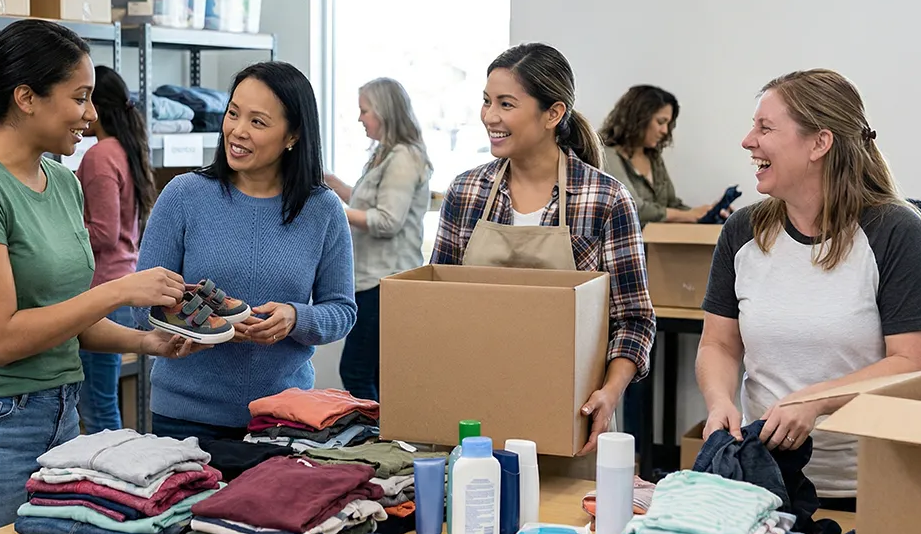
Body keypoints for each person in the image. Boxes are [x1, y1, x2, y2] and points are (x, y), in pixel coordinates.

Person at [0, 20, 200, 534]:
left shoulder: (62, 182)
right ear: (25, 97)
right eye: (80, 96)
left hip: (61, 421)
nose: (90, 115)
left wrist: (148, 342)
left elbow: (67, 321)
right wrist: (119, 290)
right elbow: (4, 337)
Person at [696, 69, 921, 511]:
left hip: (869, 488)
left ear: (819, 143)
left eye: (765, 127)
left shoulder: (895, 232)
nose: (748, 140)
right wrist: (719, 403)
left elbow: (913, 363)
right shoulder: (742, 232)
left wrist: (815, 401)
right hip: (764, 486)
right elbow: (719, 343)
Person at [431, 43, 656, 455]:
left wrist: (610, 391)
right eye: (486, 101)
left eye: (506, 104)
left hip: (572, 412)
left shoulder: (605, 198)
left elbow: (634, 319)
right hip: (471, 405)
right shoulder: (466, 193)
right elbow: (436, 301)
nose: (490, 117)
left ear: (553, 113)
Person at [136, 61, 357, 445]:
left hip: (283, 419)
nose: (237, 131)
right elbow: (143, 307)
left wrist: (295, 317)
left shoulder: (323, 209)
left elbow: (341, 310)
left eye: (258, 122)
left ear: (293, 135)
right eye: (233, 113)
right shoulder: (183, 195)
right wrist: (210, 328)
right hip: (185, 419)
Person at [324, 77, 432, 402]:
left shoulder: (403, 158)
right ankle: (386, 442)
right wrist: (334, 185)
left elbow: (387, 220)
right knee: (373, 373)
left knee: (356, 371)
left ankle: (377, 443)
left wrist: (333, 210)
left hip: (384, 285)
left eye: (364, 111)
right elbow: (368, 203)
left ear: (384, 112)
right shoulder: (386, 154)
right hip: (373, 282)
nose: (360, 119)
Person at [74, 65, 156, 433]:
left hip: (102, 290)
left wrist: (60, 234)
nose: (81, 111)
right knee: (103, 401)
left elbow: (104, 233)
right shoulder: (126, 148)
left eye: (84, 98)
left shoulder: (100, 155)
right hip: (122, 285)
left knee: (96, 407)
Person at [600, 85, 729, 225]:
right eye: (661, 122)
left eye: (668, 124)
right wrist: (689, 215)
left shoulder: (653, 158)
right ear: (637, 119)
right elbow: (630, 207)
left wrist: (707, 213)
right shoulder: (608, 155)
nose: (665, 131)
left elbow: (671, 205)